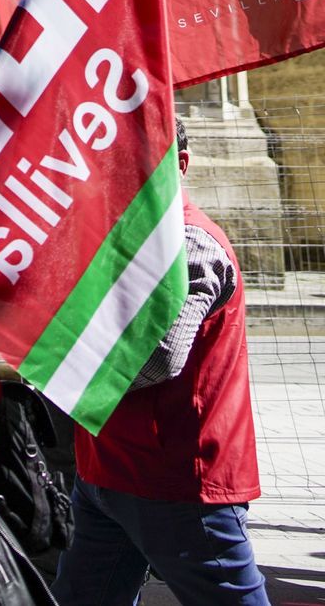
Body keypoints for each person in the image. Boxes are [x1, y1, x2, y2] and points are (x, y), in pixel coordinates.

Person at [53, 120, 266, 606]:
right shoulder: (118, 239)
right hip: (106, 470)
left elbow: (159, 356)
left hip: (178, 483)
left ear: (181, 166)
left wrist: (58, 368)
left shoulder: (191, 244)